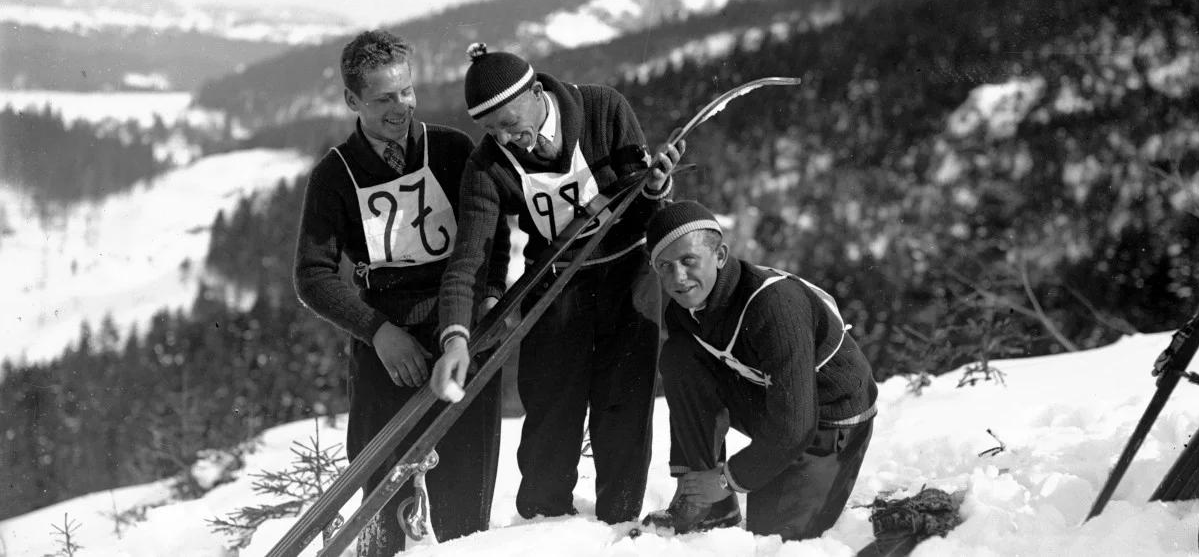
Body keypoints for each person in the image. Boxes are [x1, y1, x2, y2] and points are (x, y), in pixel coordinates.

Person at [429, 42, 682, 525]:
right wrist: (456, 336)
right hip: (556, 283)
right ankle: (544, 526)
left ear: (537, 91)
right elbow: (470, 259)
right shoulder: (488, 165)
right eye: (492, 129)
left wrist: (657, 188)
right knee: (549, 412)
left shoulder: (603, 109)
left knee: (624, 410)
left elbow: (648, 205)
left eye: (509, 120)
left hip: (628, 274)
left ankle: (620, 522)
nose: (507, 137)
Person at [294, 30, 509, 556]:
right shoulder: (334, 175)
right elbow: (313, 275)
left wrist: (490, 298)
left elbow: (493, 235)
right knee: (383, 497)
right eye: (384, 98)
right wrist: (379, 334)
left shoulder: (454, 149)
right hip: (387, 345)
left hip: (463, 335)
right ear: (352, 101)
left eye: (406, 92)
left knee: (467, 495)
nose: (401, 107)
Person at [639, 200, 878, 540]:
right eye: (664, 266)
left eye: (689, 260)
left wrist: (727, 479)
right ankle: (711, 509)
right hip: (777, 404)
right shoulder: (684, 309)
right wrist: (698, 481)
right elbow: (691, 383)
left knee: (771, 540)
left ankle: (731, 491)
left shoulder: (774, 305)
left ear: (720, 255)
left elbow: (796, 427)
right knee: (679, 356)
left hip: (830, 421)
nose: (678, 277)